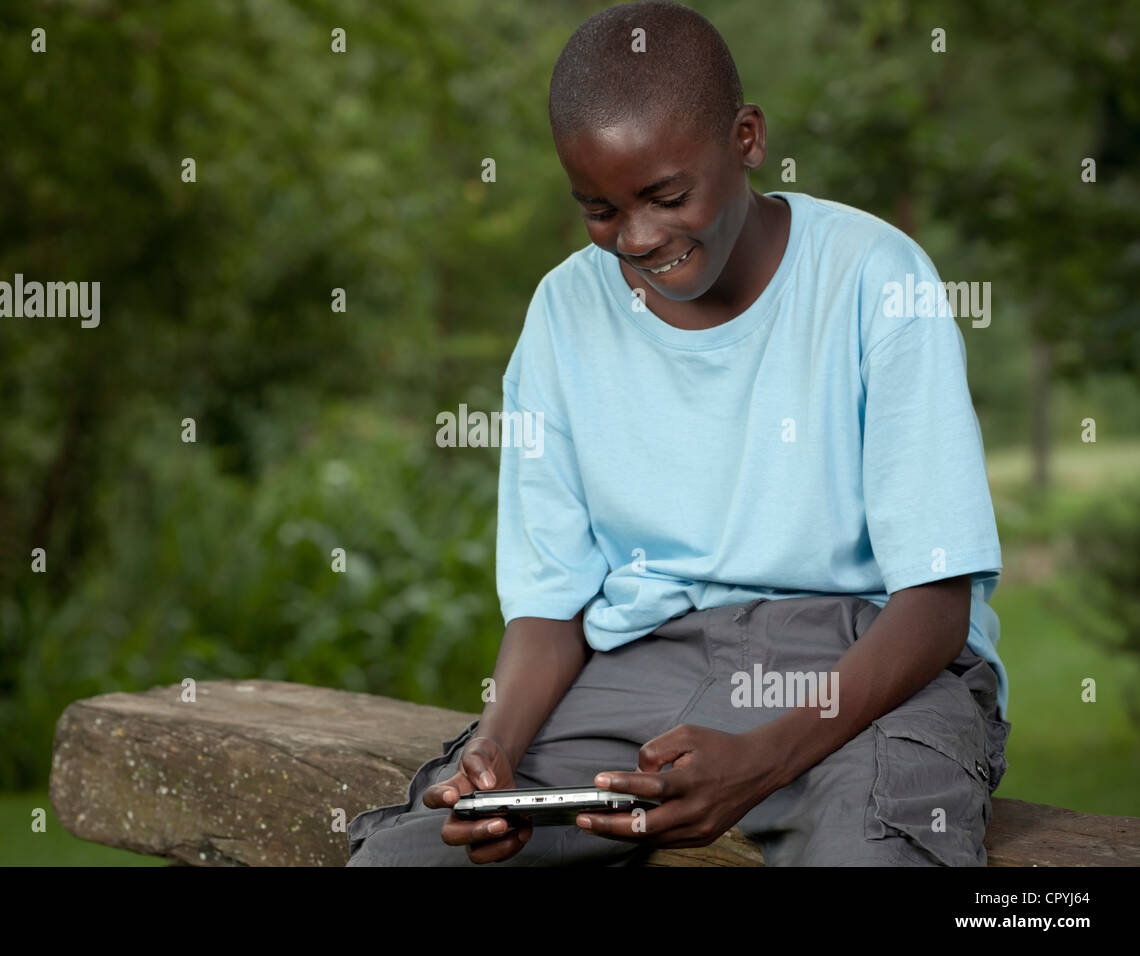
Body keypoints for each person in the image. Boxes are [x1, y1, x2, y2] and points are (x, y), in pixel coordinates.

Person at [347, 0, 1010, 867]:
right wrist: (498, 751)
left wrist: (763, 759)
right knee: (407, 860)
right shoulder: (563, 312)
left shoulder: (876, 280)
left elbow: (934, 607)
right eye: (599, 209)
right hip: (646, 662)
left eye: (666, 195)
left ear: (745, 138)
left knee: (873, 853)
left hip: (864, 663)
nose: (639, 239)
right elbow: (551, 610)